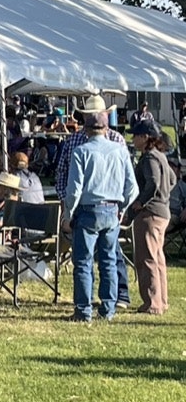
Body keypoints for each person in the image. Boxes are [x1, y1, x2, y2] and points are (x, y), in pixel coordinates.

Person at [54, 94, 133, 309]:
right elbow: (132, 187)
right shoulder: (118, 147)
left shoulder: (80, 149)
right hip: (112, 208)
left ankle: (84, 308)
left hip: (87, 209)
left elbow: (74, 188)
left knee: (83, 262)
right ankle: (108, 307)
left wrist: (68, 213)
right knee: (108, 260)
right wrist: (122, 209)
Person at [128, 121, 175, 315]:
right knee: (158, 258)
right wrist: (164, 196)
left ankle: (152, 303)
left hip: (150, 214)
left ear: (146, 137)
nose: (133, 139)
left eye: (136, 135)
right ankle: (161, 300)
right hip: (163, 212)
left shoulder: (148, 158)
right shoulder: (161, 156)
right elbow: (171, 179)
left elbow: (153, 182)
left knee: (146, 258)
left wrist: (142, 201)